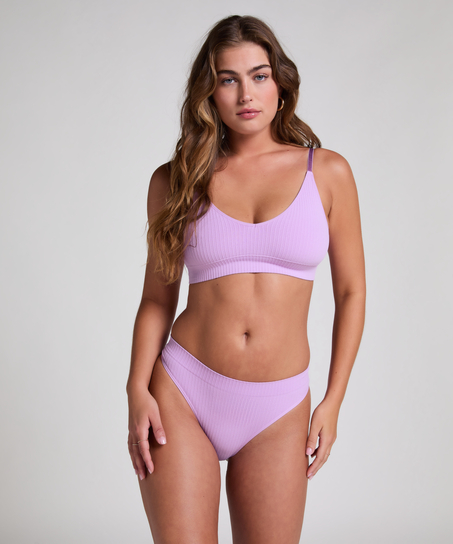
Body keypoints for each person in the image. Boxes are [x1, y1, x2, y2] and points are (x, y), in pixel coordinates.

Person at [126, 14, 366, 544]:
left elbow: (351, 293)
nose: (246, 94)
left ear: (280, 81)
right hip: (183, 393)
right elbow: (156, 300)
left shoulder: (327, 173)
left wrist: (333, 400)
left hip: (279, 408)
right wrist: (135, 390)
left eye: (259, 75)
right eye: (228, 79)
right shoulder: (176, 180)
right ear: (209, 93)